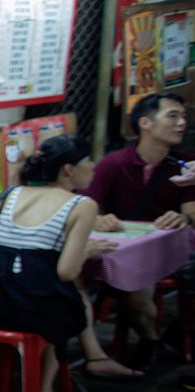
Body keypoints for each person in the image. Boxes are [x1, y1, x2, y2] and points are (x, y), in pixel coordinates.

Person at [0, 135, 132, 392]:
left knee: (52, 297)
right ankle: (44, 389)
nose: (93, 166)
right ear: (69, 169)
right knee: (70, 301)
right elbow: (67, 272)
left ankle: (44, 387)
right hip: (30, 311)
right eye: (88, 161)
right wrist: (88, 252)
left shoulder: (12, 193)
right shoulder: (82, 205)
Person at [81, 93, 195, 368]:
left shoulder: (186, 165)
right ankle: (151, 341)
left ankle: (177, 338)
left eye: (183, 117)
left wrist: (182, 218)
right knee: (133, 285)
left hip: (175, 249)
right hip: (131, 252)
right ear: (145, 123)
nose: (181, 123)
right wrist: (99, 219)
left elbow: (191, 209)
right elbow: (85, 205)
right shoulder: (115, 163)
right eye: (173, 116)